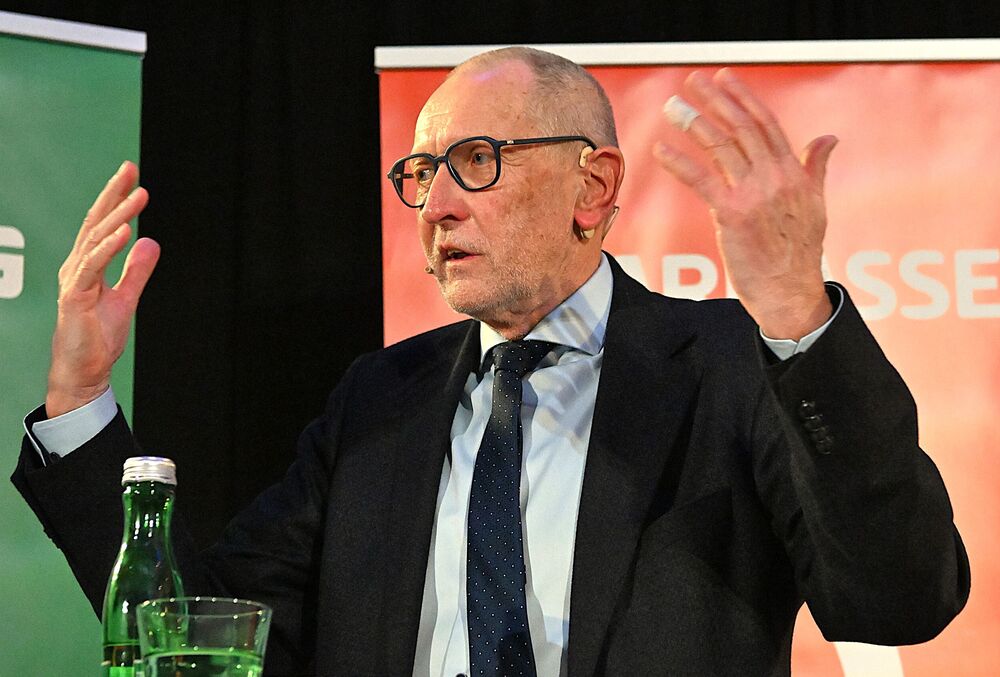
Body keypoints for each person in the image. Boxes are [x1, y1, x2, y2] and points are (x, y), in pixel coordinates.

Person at [13, 47, 968, 677]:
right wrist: (83, 398)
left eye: (475, 161)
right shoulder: (378, 401)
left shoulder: (727, 365)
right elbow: (198, 638)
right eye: (420, 174)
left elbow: (901, 595)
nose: (435, 207)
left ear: (592, 186)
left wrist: (797, 313)